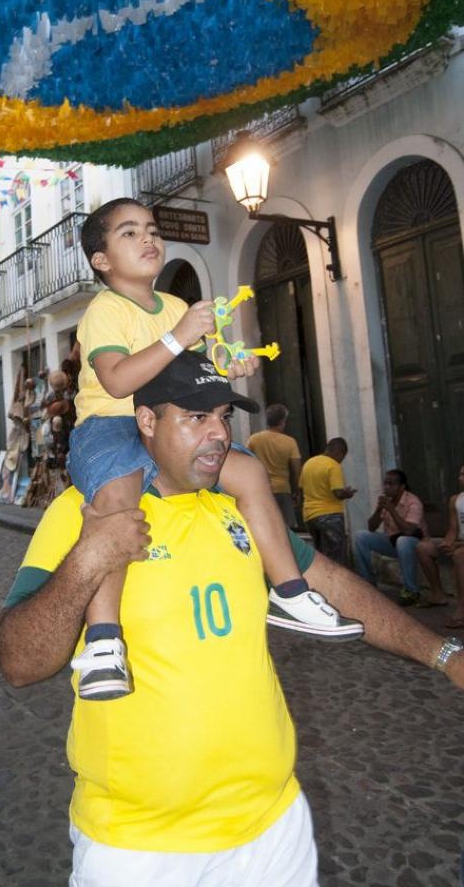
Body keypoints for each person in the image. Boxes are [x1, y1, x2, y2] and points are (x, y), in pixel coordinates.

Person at [0, 351, 464, 887]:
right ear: (146, 421)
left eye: (223, 416)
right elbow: (20, 663)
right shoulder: (85, 512)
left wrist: (444, 655)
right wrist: (88, 559)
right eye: (196, 417)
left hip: (273, 827)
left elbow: (333, 586)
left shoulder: (239, 508)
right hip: (138, 845)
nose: (218, 434)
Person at [67, 199, 354, 700]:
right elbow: (116, 381)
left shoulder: (175, 308)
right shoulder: (106, 310)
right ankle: (104, 640)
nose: (148, 238)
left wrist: (228, 367)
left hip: (172, 425)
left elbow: (194, 374)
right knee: (116, 498)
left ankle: (289, 591)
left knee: (248, 472)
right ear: (102, 260)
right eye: (129, 233)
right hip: (111, 424)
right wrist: (177, 338)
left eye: (152, 230)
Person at [354, 469, 428, 606]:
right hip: (393, 542)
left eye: (391, 484)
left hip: (415, 544)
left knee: (403, 540)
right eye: (385, 483)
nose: (386, 487)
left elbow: (409, 530)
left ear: (402, 487)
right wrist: (378, 510)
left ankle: (411, 591)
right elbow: (372, 527)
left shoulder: (413, 502)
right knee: (361, 536)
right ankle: (368, 583)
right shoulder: (387, 501)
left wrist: (392, 510)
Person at [416, 464, 464, 625]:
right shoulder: (455, 500)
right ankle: (438, 594)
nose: (460, 478)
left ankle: (461, 609)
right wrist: (447, 543)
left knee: (459, 556)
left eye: (463, 475)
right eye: (460, 474)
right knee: (424, 548)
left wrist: (457, 546)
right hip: (459, 542)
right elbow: (453, 529)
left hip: (461, 547)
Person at [299, 438, 357, 564]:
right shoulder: (333, 465)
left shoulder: (309, 463)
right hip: (330, 516)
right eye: (343, 457)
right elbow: (338, 493)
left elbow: (301, 488)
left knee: (321, 557)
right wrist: (347, 493)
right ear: (339, 452)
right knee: (336, 558)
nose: (341, 461)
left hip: (310, 516)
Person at [247, 404, 302, 527]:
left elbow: (246, 462)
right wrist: (297, 491)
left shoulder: (254, 440)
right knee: (286, 527)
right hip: (282, 489)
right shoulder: (289, 442)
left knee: (265, 525)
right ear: (282, 421)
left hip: (261, 488)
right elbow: (296, 470)